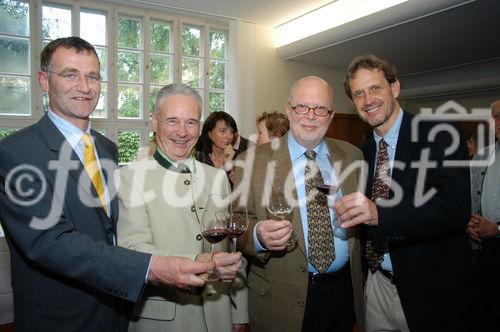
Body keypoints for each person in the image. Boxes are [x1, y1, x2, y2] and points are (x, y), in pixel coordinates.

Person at [0, 37, 214, 331]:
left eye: (92, 76)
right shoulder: (17, 153)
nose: (85, 87)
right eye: (70, 74)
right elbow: (50, 241)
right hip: (61, 317)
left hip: (117, 309)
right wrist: (151, 267)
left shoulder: (106, 148)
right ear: (44, 81)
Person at [336, 54, 473, 332]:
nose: (368, 100)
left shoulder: (440, 136)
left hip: (430, 290)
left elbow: (454, 209)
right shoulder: (361, 153)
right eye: (358, 93)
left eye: (375, 88)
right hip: (377, 287)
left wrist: (380, 214)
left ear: (395, 88)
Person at [232, 76, 365, 332]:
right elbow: (236, 222)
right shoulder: (252, 161)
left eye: (320, 109)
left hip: (342, 295)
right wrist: (257, 235)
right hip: (279, 299)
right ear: (288, 110)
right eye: (301, 107)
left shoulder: (352, 156)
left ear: (332, 114)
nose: (310, 116)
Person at [116, 83, 248, 332]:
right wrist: (198, 262)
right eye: (172, 120)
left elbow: (230, 245)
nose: (182, 132)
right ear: (155, 123)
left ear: (200, 127)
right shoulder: (129, 178)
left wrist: (239, 310)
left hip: (218, 314)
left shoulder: (217, 178)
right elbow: (133, 248)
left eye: (191, 122)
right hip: (163, 319)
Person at [466, 99, 500, 331]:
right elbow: (466, 200)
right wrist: (467, 222)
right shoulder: (481, 157)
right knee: (484, 312)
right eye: (496, 115)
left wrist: (498, 228)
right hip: (483, 252)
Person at [195, 112, 238, 184]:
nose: (229, 136)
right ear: (209, 134)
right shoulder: (200, 158)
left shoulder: (239, 157)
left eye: (231, 132)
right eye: (223, 131)